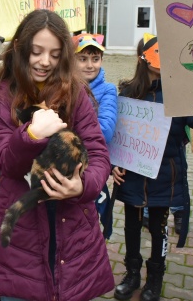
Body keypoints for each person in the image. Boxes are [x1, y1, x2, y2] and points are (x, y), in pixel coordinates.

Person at [0, 9, 115, 300]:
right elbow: (7, 164)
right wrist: (30, 136)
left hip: (73, 223)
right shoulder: (0, 96)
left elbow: (98, 153)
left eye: (55, 54)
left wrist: (83, 186)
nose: (45, 61)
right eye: (36, 51)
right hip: (24, 227)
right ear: (20, 48)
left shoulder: (75, 93)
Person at [112, 34, 193, 301]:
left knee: (159, 228)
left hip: (165, 175)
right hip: (133, 175)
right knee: (131, 226)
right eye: (156, 52)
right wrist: (113, 164)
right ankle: (132, 273)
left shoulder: (178, 94)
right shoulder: (127, 92)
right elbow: (117, 133)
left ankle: (155, 277)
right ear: (143, 56)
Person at [72, 33, 118, 239]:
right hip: (64, 167)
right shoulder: (64, 87)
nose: (90, 65)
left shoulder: (107, 90)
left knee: (87, 222)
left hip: (91, 167)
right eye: (82, 59)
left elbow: (105, 131)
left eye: (95, 59)